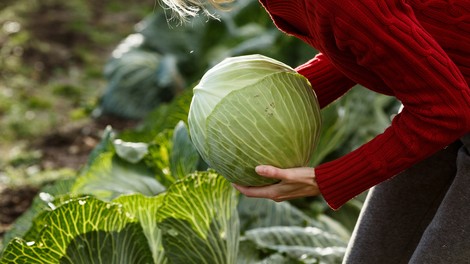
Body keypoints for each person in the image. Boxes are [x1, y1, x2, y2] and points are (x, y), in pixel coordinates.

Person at [162, 0, 470, 263]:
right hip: (448, 93)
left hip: (446, 105)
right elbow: (368, 41)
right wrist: (272, 106)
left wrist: (325, 180)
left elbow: (448, 109)